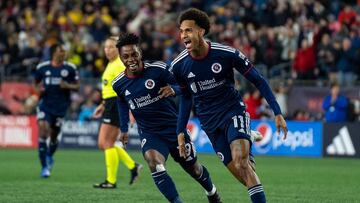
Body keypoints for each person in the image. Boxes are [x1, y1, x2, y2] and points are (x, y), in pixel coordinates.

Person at [170, 8, 288, 203]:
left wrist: (277, 112)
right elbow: (186, 97)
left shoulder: (226, 54)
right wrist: (180, 130)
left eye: (188, 30)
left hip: (232, 111)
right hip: (209, 122)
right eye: (181, 31)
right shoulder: (179, 65)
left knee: (242, 163)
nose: (184, 35)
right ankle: (247, 136)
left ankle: (244, 135)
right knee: (245, 174)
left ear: (201, 31)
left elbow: (258, 80)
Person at [112, 33, 222, 203]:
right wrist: (124, 128)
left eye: (134, 54)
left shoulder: (158, 69)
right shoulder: (118, 83)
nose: (131, 59)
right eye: (125, 56)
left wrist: (173, 89)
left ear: (140, 52)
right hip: (150, 133)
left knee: (193, 169)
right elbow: (121, 101)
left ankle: (212, 192)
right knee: (153, 162)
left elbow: (184, 85)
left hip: (174, 129)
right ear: (120, 57)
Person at [93, 36, 142, 189]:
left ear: (118, 49)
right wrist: (102, 104)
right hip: (109, 103)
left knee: (105, 143)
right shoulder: (111, 64)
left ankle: (111, 181)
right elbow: (109, 87)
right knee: (104, 143)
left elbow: (127, 86)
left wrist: (131, 110)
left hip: (116, 104)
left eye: (111, 47)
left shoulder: (120, 64)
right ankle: (132, 166)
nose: (107, 50)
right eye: (106, 47)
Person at [34, 43, 80, 178]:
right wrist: (39, 90)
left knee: (54, 135)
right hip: (45, 104)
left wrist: (67, 85)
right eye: (62, 51)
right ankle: (44, 167)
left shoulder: (70, 68)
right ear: (54, 52)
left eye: (65, 51)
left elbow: (77, 86)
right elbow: (35, 83)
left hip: (60, 107)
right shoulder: (42, 67)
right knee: (43, 130)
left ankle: (49, 156)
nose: (64, 53)